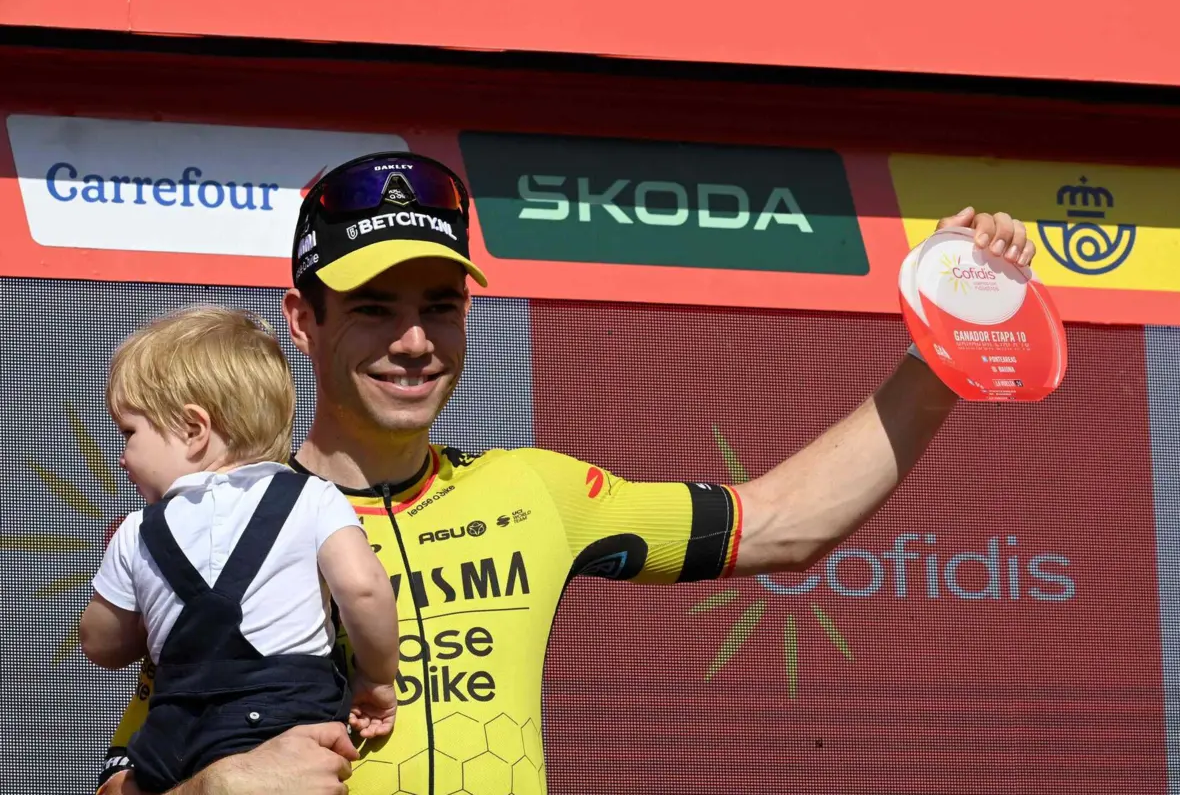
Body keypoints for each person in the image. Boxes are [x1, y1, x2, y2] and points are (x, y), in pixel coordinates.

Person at [95, 152, 1038, 795]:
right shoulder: (207, 527)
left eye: (441, 304)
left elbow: (782, 522)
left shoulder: (532, 492)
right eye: (374, 308)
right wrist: (211, 786)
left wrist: (940, 349)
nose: (416, 342)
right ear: (302, 320)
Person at [81, 305, 400, 793]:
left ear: (193, 429)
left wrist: (142, 602)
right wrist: (376, 679)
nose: (122, 457)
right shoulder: (313, 496)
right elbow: (362, 589)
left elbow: (99, 643)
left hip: (176, 736)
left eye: (129, 433)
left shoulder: (137, 531)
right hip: (290, 718)